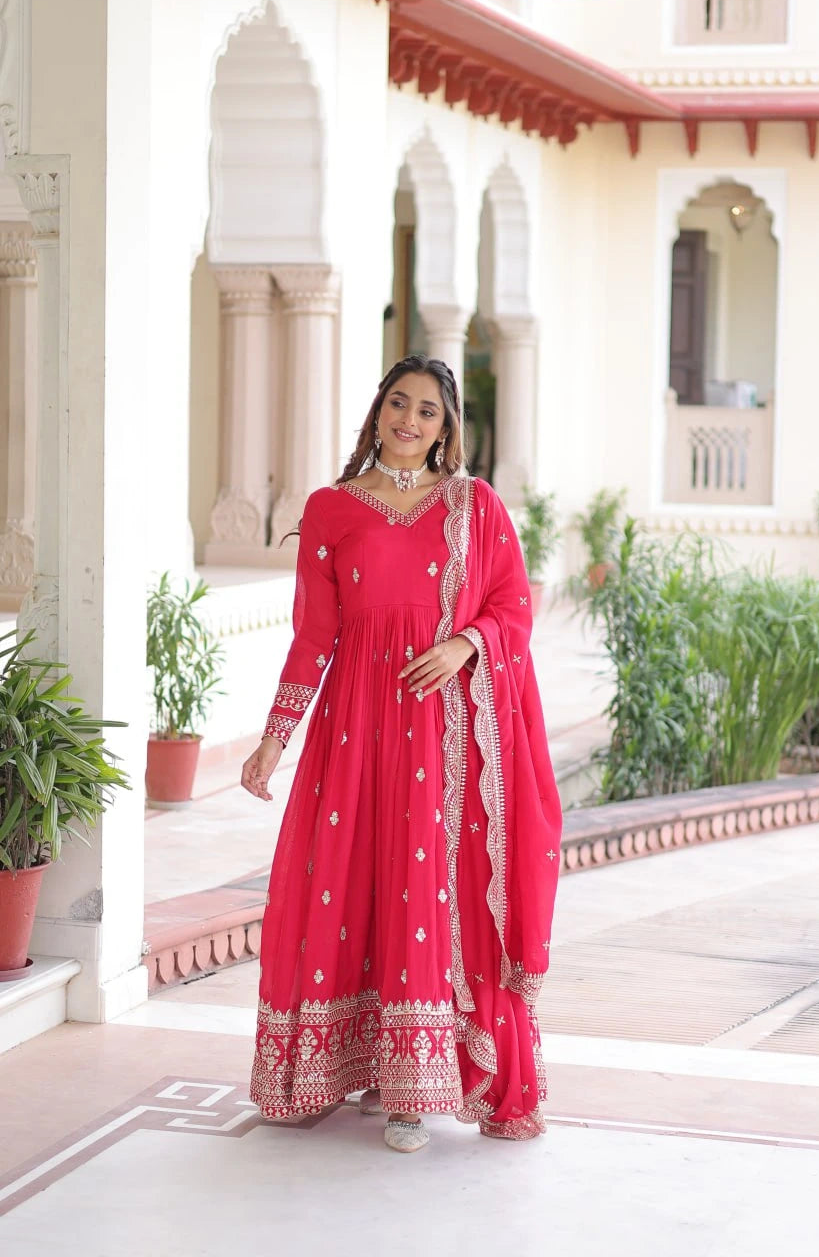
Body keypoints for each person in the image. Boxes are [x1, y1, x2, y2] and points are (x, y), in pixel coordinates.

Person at [241, 354, 562, 1153]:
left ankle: (410, 1092)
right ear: (376, 412)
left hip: (440, 730)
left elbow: (514, 607)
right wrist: (273, 740)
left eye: (426, 411)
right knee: (348, 885)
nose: (409, 421)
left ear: (447, 427)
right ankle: (339, 1066)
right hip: (352, 731)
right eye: (397, 404)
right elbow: (315, 635)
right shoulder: (330, 510)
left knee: (425, 893)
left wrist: (465, 644)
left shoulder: (473, 507)